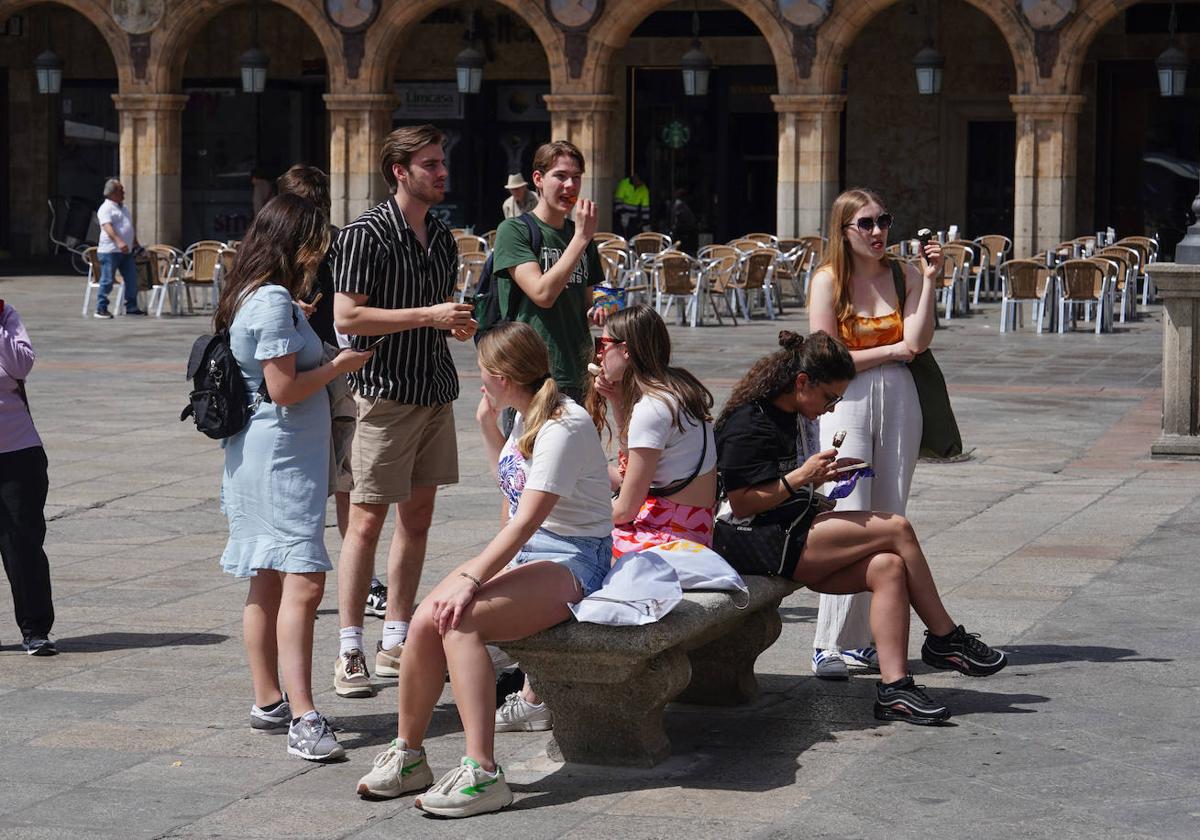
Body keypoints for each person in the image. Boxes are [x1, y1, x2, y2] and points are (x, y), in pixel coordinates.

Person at [354, 322, 612, 817]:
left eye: (483, 372)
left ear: (504, 374)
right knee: (429, 615)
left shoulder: (563, 425)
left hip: (576, 557)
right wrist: (487, 425)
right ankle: (409, 754)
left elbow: (528, 518)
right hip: (534, 549)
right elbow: (512, 488)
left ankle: (483, 772)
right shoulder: (524, 415)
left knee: (462, 619)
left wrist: (475, 576)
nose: (479, 380)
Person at [715, 331, 1005, 725]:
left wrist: (818, 485)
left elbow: (780, 488)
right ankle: (944, 638)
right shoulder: (749, 421)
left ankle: (895, 689)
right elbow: (742, 503)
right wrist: (803, 477)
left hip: (788, 529)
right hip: (753, 542)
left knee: (888, 566)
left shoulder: (792, 415)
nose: (831, 407)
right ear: (802, 383)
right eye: (829, 397)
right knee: (897, 529)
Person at [214, 194, 372, 760]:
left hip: (260, 454)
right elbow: (283, 389)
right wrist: (339, 365)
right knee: (303, 580)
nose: (321, 251)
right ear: (295, 242)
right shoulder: (274, 298)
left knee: (267, 576)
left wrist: (300, 329)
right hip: (281, 459)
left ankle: (268, 699)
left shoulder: (251, 293)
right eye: (315, 240)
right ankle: (304, 714)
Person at [330, 124, 476, 698]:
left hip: (434, 390)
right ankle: (349, 651)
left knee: (417, 520)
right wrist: (428, 316)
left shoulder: (441, 238)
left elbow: (439, 317)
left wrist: (456, 326)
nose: (442, 173)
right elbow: (347, 319)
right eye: (431, 164)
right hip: (384, 394)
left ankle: (395, 640)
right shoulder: (365, 234)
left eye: (443, 163)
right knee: (364, 523)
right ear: (400, 171)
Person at [805, 188, 941, 680]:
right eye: (866, 224)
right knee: (848, 512)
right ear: (844, 230)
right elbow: (827, 357)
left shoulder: (902, 272)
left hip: (901, 398)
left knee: (889, 513)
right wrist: (891, 351)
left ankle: (863, 641)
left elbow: (919, 342)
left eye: (884, 221)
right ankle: (828, 641)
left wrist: (930, 282)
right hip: (847, 401)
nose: (879, 232)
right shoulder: (827, 281)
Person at [592, 304, 716, 557]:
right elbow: (629, 475)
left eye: (603, 344)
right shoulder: (676, 387)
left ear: (625, 350)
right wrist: (618, 403)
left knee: (573, 545)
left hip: (671, 535)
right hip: (693, 525)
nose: (599, 355)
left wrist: (577, 513)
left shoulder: (652, 408)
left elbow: (625, 509)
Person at [490, 140, 605, 413]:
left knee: (578, 456)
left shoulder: (581, 238)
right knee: (532, 455)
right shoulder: (515, 231)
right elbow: (542, 294)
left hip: (579, 372)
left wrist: (597, 311)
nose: (570, 186)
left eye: (576, 177)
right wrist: (580, 238)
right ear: (538, 179)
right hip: (532, 376)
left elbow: (587, 302)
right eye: (561, 176)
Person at [0, 300, 56, 656]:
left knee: (23, 545)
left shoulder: (6, 316)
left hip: (17, 450)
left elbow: (20, 364)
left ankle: (35, 630)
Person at [94, 178, 145, 318]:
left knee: (131, 279)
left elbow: (128, 227)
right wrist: (119, 241)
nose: (123, 193)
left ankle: (132, 306)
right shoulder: (105, 208)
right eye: (120, 191)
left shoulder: (123, 208)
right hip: (110, 251)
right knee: (107, 279)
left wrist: (135, 243)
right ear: (112, 193)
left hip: (126, 251)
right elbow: (107, 227)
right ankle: (101, 308)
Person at [613, 172, 650, 240]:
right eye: (639, 181)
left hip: (633, 220)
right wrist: (623, 215)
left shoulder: (644, 189)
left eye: (641, 183)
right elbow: (617, 202)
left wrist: (646, 224)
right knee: (620, 238)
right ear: (635, 177)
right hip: (620, 216)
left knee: (632, 238)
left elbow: (645, 209)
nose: (639, 184)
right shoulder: (624, 183)